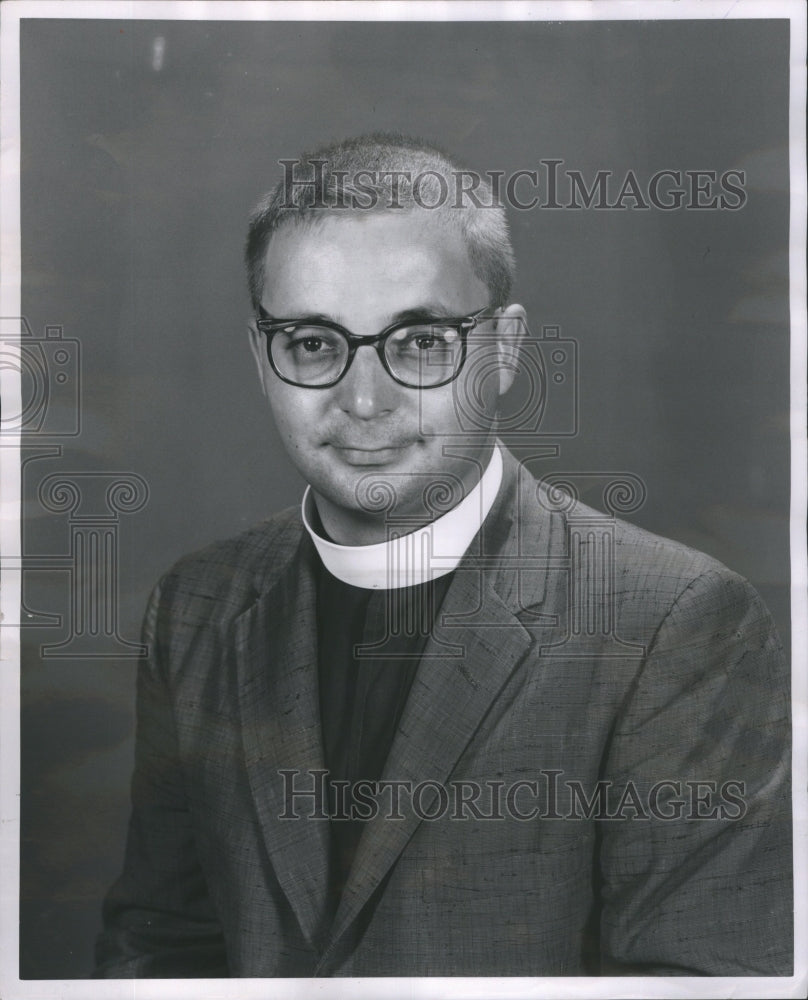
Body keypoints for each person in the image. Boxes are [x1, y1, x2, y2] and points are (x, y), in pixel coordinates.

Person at [95, 133, 792, 978]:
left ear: (502, 349)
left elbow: (700, 988)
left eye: (420, 342)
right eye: (314, 342)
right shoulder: (196, 603)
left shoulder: (673, 623)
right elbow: (158, 952)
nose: (362, 399)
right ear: (263, 358)